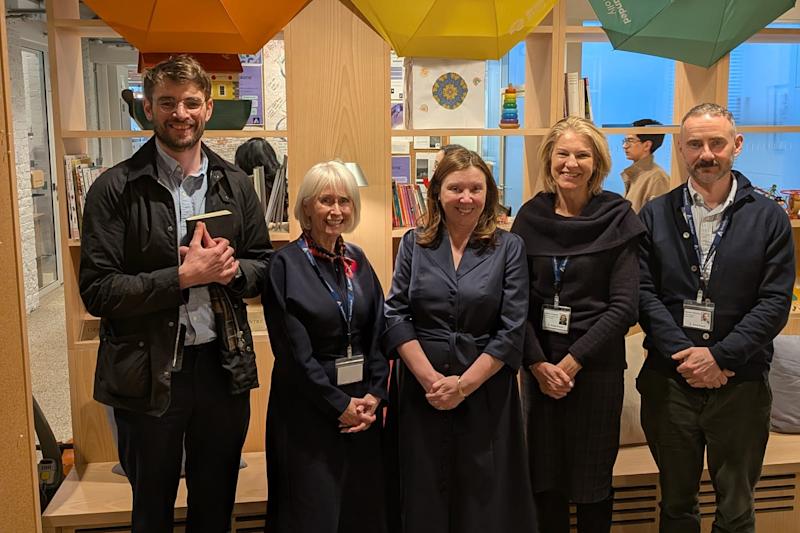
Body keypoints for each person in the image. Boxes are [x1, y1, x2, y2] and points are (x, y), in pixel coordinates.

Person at [78, 55, 272, 532]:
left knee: (215, 505)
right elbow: (98, 291)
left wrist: (229, 271)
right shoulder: (113, 189)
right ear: (148, 109)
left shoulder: (237, 185)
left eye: (190, 102)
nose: (179, 113)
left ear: (207, 108)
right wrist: (182, 278)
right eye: (167, 102)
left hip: (222, 370)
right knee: (151, 508)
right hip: (146, 374)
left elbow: (265, 265)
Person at [637, 103, 795, 532]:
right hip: (670, 384)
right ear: (681, 150)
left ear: (736, 146)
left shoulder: (769, 218)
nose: (706, 153)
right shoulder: (654, 214)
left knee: (737, 510)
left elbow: (774, 303)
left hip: (740, 386)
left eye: (716, 143)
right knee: (675, 506)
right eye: (694, 144)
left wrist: (720, 358)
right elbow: (644, 294)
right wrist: (686, 356)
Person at [384, 147, 537, 533]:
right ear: (437, 192)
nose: (466, 198)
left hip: (485, 391)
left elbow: (512, 327)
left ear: (489, 194)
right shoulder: (412, 243)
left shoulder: (509, 247)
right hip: (423, 390)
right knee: (422, 492)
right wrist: (431, 381)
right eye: (455, 188)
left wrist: (464, 386)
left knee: (482, 496)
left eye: (475, 189)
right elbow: (396, 313)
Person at [511, 116, 645, 533]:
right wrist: (537, 364)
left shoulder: (617, 217)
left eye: (582, 155)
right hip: (539, 368)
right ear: (549, 158)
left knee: (591, 486)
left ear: (597, 162)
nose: (571, 163)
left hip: (596, 371)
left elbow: (625, 305)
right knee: (544, 482)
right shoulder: (529, 217)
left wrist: (571, 363)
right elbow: (515, 303)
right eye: (562, 153)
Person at [262, 160, 389, 533]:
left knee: (361, 511)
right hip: (307, 413)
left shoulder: (357, 260)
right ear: (305, 208)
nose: (336, 211)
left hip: (362, 410)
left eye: (345, 201)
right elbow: (292, 353)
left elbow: (379, 330)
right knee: (312, 514)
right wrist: (339, 405)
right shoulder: (283, 266)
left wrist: (374, 395)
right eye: (325, 200)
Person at [621, 118, 670, 213]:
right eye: (625, 140)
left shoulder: (657, 178)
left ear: (647, 145)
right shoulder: (636, 174)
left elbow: (658, 219)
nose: (625, 145)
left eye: (630, 140)